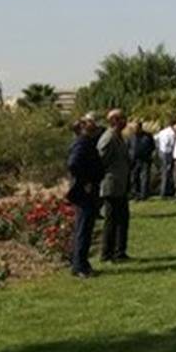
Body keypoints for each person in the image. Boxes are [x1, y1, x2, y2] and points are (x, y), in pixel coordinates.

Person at [66, 113, 104, 278]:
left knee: (85, 227)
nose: (94, 126)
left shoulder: (85, 141)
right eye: (90, 123)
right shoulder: (82, 143)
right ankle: (80, 265)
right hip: (84, 191)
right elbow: (73, 164)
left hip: (87, 189)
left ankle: (80, 263)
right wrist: (85, 181)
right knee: (83, 228)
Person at [97, 108, 131, 263]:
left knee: (122, 219)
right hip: (111, 185)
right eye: (123, 118)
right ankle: (106, 253)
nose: (125, 121)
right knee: (111, 220)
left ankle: (119, 251)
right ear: (115, 120)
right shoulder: (109, 138)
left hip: (120, 185)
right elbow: (101, 160)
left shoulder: (118, 137)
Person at [128, 120, 154, 200]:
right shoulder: (131, 137)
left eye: (136, 127)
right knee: (134, 177)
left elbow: (152, 146)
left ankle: (144, 195)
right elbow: (128, 147)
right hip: (134, 160)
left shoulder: (148, 136)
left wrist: (148, 154)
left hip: (145, 160)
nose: (135, 129)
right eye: (134, 128)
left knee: (144, 178)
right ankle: (135, 194)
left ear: (140, 127)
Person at [156, 119, 176, 198]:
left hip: (161, 152)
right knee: (167, 173)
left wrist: (158, 148)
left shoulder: (162, 132)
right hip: (168, 153)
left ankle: (164, 190)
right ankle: (165, 191)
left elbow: (156, 138)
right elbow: (172, 144)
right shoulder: (172, 133)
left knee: (164, 172)